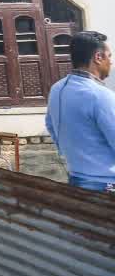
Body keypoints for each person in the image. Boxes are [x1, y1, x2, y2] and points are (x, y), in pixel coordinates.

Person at [46, 30, 115, 193]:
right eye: (109, 56)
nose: (111, 62)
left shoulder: (57, 88)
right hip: (106, 185)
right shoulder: (100, 96)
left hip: (76, 179)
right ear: (98, 57)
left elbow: (50, 125)